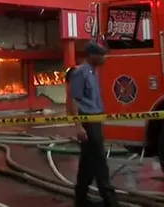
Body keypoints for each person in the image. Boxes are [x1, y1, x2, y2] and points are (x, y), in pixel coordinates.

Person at [68, 43, 119, 207]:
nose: (104, 58)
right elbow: (74, 100)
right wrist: (78, 126)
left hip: (95, 119)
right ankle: (110, 199)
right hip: (87, 121)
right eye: (101, 55)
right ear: (90, 55)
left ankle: (81, 198)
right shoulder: (80, 73)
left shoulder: (93, 72)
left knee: (88, 162)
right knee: (99, 160)